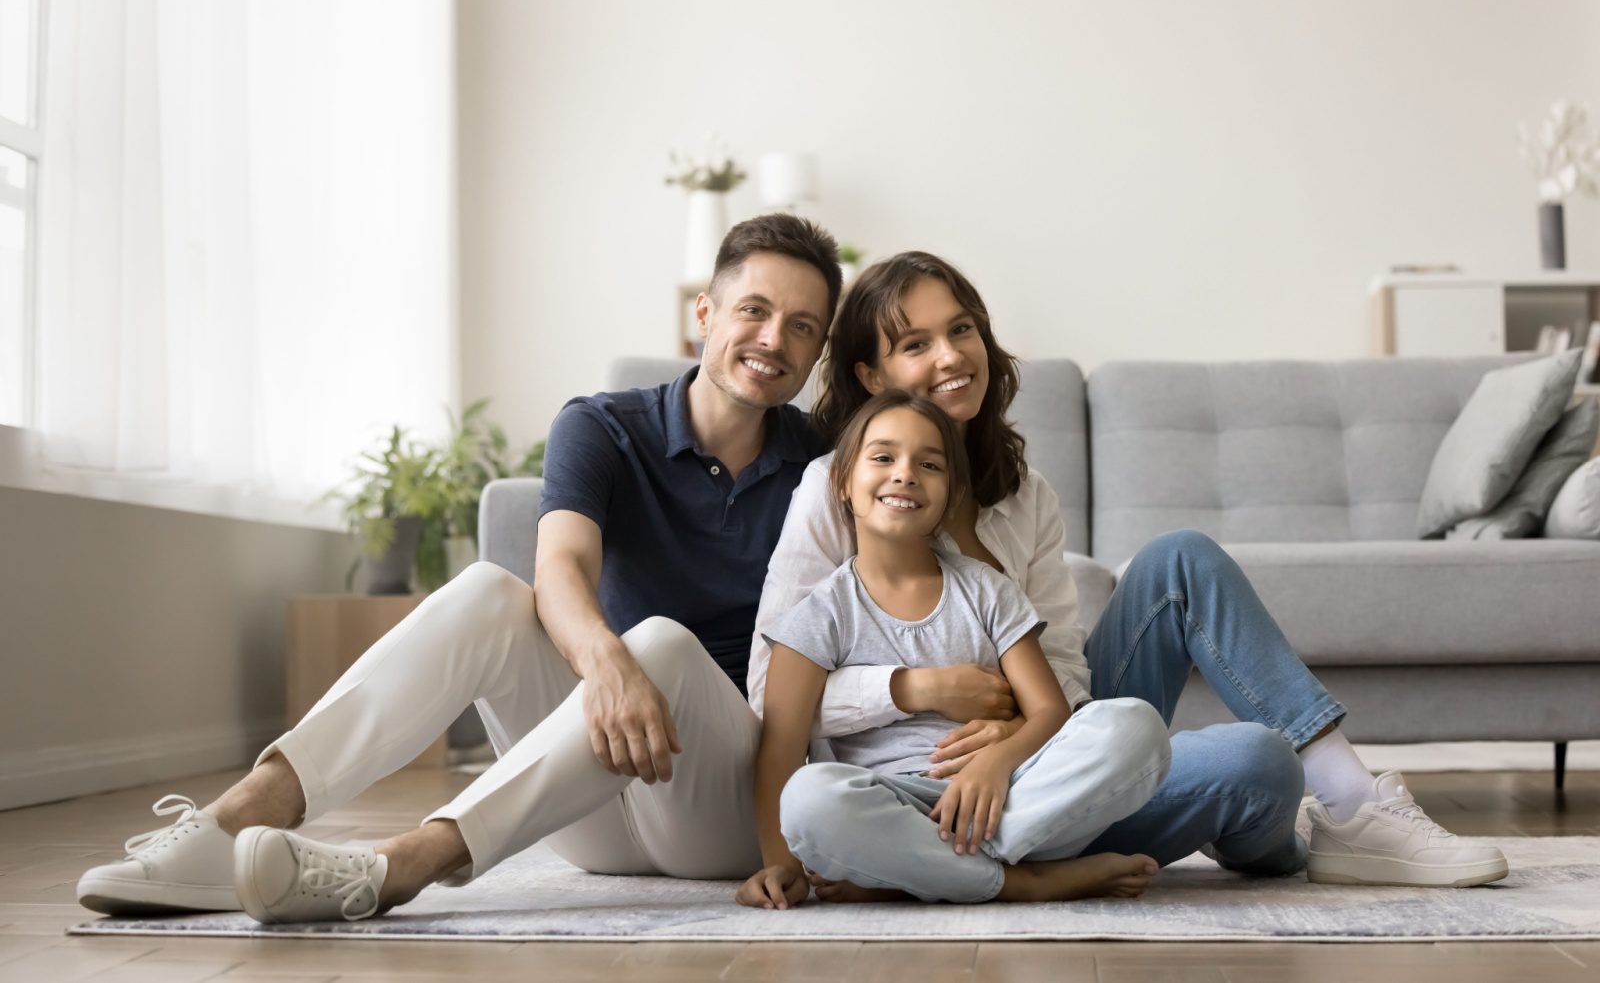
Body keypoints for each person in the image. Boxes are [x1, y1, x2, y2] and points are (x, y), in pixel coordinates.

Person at [77, 213, 844, 922]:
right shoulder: (603, 426)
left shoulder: (828, 464)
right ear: (705, 314)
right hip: (586, 799)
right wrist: (605, 663)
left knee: (665, 645)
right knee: (488, 589)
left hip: (720, 810)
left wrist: (633, 659)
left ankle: (402, 864)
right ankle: (232, 824)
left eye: (801, 327)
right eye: (754, 309)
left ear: (816, 353)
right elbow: (562, 569)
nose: (773, 339)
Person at [750, 251, 1509, 890]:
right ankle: (1037, 868)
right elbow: (769, 695)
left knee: (1248, 724)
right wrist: (910, 687)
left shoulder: (1026, 494)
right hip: (908, 783)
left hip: (1052, 771)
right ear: (870, 372)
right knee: (1249, 771)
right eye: (915, 345)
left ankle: (1350, 808)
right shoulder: (832, 489)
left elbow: (1068, 692)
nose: (950, 356)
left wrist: (1016, 729)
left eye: (961, 330)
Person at [738, 390, 1167, 909]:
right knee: (809, 800)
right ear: (843, 485)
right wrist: (780, 865)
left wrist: (997, 763)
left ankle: (913, 875)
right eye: (882, 457)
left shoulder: (988, 589)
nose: (905, 474)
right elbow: (780, 751)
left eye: (929, 464)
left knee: (1134, 726)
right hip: (890, 803)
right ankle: (1025, 881)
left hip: (1008, 796)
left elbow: (1050, 711)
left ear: (950, 494)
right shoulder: (817, 615)